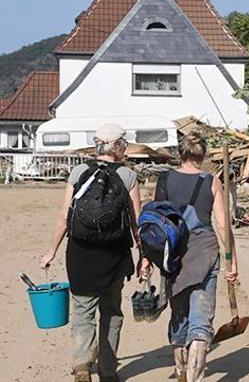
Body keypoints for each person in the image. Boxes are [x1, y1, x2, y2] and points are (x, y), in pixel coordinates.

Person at [40, 123, 149, 382]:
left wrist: (51, 252)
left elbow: (64, 218)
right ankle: (108, 372)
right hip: (114, 256)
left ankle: (81, 366)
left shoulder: (79, 172)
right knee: (111, 312)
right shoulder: (127, 176)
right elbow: (137, 223)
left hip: (80, 255)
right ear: (118, 146)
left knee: (83, 312)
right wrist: (144, 257)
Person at [154, 131, 238, 382]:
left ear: (181, 154)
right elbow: (223, 225)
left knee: (179, 315)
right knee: (201, 319)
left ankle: (181, 371)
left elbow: (156, 222)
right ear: (203, 155)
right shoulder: (211, 181)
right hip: (205, 251)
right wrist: (232, 260)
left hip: (174, 255)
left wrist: (148, 258)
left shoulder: (165, 180)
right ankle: (194, 377)